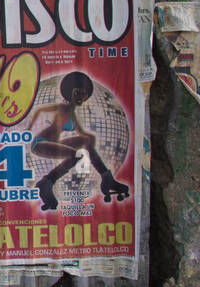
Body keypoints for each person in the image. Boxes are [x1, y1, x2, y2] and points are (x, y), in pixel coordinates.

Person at [27, 71, 129, 211]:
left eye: (83, 94)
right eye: (77, 93)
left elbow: (84, 135)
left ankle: (106, 177)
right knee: (77, 155)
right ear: (70, 93)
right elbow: (39, 111)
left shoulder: (72, 114)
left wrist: (91, 148)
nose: (80, 97)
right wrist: (29, 128)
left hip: (55, 144)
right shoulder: (62, 108)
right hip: (40, 143)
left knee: (86, 142)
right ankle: (47, 182)